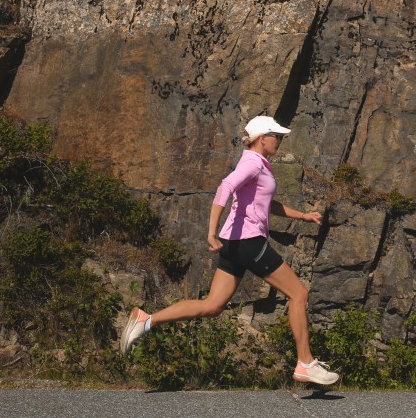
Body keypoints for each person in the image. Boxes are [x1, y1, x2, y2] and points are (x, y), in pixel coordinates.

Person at [120, 115, 339, 385]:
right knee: (299, 294)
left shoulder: (258, 163)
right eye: (277, 136)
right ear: (262, 138)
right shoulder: (252, 164)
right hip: (248, 242)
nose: (280, 141)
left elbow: (266, 203)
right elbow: (225, 187)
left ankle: (146, 320)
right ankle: (305, 363)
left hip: (235, 242)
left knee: (212, 306)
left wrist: (303, 216)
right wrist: (210, 232)